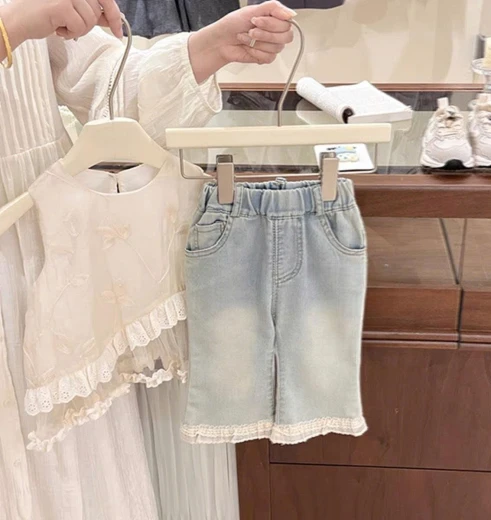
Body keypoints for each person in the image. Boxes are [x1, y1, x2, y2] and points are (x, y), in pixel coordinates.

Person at [0, 1, 294, 519]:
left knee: (73, 477)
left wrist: (207, 48)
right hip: (26, 238)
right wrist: (12, 25)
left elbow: (107, 85)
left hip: (51, 250)